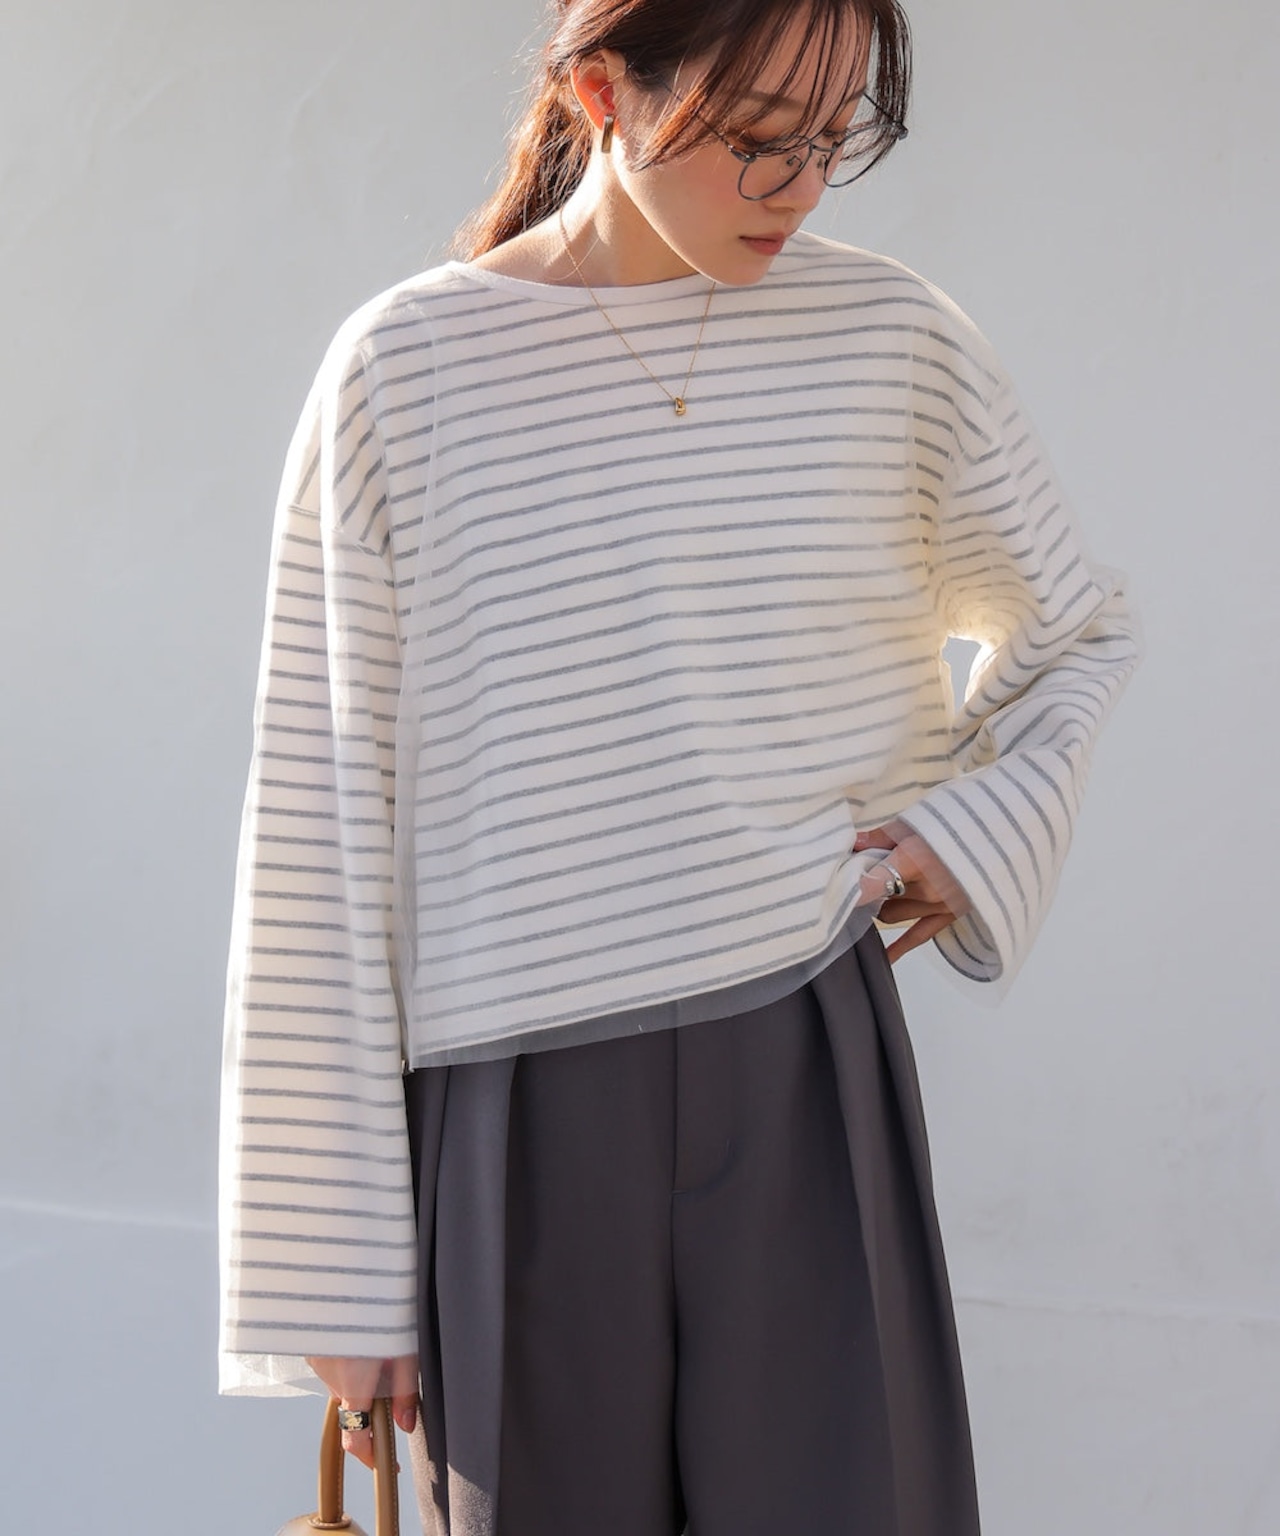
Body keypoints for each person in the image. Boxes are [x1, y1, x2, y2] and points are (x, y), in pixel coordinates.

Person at [218, 1, 1139, 1532]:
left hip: (803, 1062)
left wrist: (965, 832)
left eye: (837, 138)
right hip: (509, 1107)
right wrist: (336, 1275)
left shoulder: (894, 340)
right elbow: (319, 820)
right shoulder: (407, 369)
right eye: (762, 141)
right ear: (602, 93)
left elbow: (1079, 631)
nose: (804, 189)